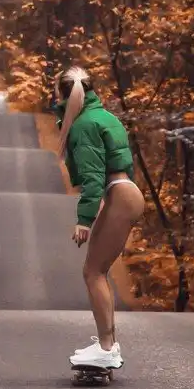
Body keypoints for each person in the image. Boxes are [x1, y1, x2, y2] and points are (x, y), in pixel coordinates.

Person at [54, 66, 145, 370]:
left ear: (62, 94)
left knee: (93, 272)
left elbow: (93, 178)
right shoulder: (106, 117)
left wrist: (84, 220)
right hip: (126, 191)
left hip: (120, 195)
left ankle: (106, 348)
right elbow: (121, 162)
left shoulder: (84, 125)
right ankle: (109, 344)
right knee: (98, 271)